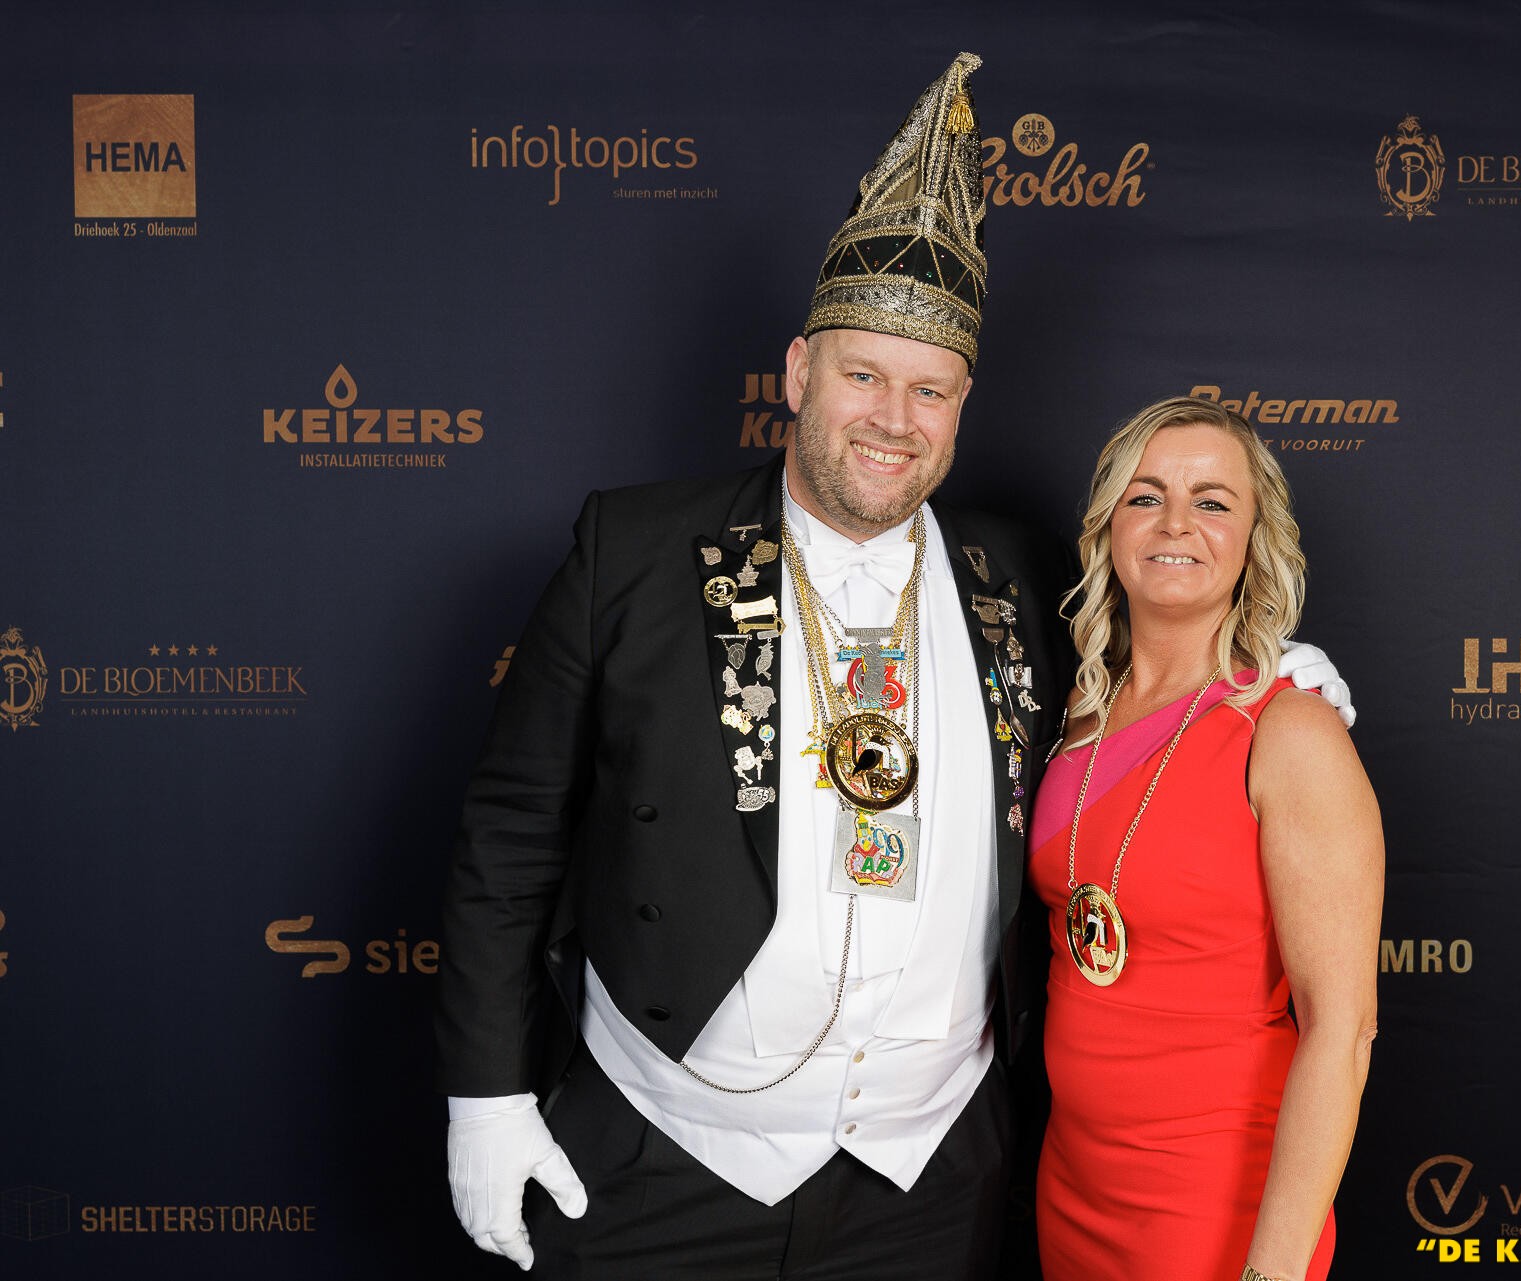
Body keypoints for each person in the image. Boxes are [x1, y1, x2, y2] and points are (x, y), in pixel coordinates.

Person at [436, 57, 1354, 1281]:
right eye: (862, 375)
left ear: (961, 407)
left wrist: (1272, 665)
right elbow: (510, 834)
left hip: (931, 1185)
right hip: (664, 1157)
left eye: (930, 390)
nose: (892, 418)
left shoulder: (1019, 576)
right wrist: (485, 1095)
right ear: (798, 372)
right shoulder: (634, 552)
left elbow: (1154, 664)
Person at [1029, 397, 1382, 1281]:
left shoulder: (1291, 730)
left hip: (1214, 1203)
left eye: (1213, 501)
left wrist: (1269, 1273)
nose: (1176, 523)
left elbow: (1343, 1030)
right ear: (1111, 524)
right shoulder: (1073, 709)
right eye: (1146, 496)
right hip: (1071, 1188)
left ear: (1254, 539)